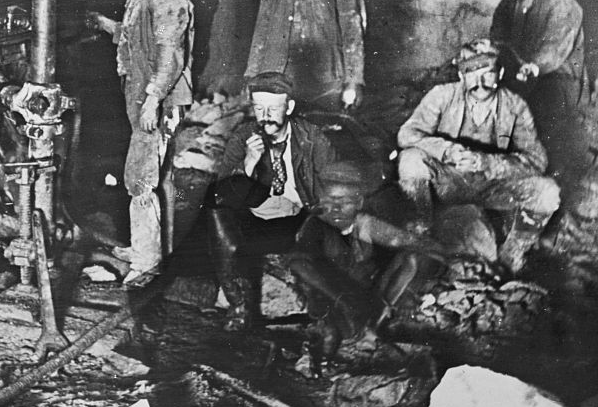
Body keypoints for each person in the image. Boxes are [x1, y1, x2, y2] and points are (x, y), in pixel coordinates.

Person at [87, 0, 195, 286]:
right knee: (144, 173)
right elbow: (133, 35)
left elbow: (170, 56)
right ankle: (143, 245)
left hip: (157, 99)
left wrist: (152, 101)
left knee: (140, 177)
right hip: (142, 94)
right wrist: (104, 24)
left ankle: (147, 263)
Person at [396, 38, 560, 275]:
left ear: (500, 72)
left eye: (488, 73)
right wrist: (447, 150)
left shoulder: (515, 106)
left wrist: (487, 162)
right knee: (410, 159)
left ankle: (512, 255)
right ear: (461, 76)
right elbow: (408, 134)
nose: (480, 82)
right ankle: (422, 235)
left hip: (492, 185)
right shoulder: (442, 95)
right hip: (449, 181)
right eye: (471, 73)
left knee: (548, 192)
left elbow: (536, 161)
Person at [207, 71, 337, 331]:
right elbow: (223, 193)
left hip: (300, 218)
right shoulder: (244, 137)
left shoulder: (312, 138)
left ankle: (319, 312)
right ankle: (241, 307)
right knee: (215, 213)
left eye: (273, 108)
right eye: (259, 108)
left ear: (288, 107)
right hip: (258, 218)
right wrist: (248, 165)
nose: (265, 115)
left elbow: (333, 187)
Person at [287, 160, 443, 361]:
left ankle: (373, 324)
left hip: (362, 294)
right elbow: (298, 263)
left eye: (344, 201)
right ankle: (355, 335)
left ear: (359, 203)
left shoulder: (363, 224)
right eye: (330, 200)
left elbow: (411, 243)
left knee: (410, 259)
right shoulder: (316, 226)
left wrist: (454, 259)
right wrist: (341, 300)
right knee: (341, 334)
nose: (335, 208)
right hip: (331, 297)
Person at [490, 0, 589, 180]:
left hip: (558, 80)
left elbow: (554, 49)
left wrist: (533, 67)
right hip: (522, 77)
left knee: (544, 111)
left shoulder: (562, 3)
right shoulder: (508, 3)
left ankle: (552, 174)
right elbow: (497, 41)